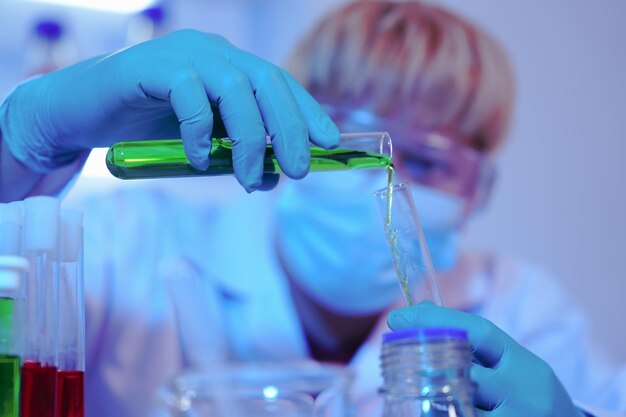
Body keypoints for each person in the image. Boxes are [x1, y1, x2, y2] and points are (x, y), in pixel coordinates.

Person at [0, 2, 624, 417]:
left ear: (478, 189)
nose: (389, 175)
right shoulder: (130, 245)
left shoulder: (522, 311)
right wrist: (23, 140)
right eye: (349, 141)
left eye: (430, 162)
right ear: (278, 122)